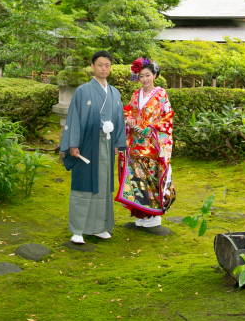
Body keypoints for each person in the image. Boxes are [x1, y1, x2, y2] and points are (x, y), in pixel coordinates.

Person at [60, 50, 127, 244]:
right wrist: (73, 144)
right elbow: (74, 117)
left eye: (107, 65)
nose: (103, 69)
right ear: (92, 66)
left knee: (103, 185)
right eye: (99, 65)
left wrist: (117, 143)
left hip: (107, 143)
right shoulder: (82, 91)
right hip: (87, 143)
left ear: (111, 68)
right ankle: (77, 230)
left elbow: (119, 119)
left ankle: (98, 227)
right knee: (83, 184)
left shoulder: (114, 93)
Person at [116, 58, 175, 228]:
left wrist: (153, 128)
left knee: (151, 178)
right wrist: (129, 119)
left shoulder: (161, 94)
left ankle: (154, 214)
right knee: (137, 179)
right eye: (141, 76)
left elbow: (168, 116)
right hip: (136, 143)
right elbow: (127, 110)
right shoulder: (136, 94)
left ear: (155, 75)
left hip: (153, 145)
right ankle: (141, 214)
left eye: (148, 75)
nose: (144, 79)